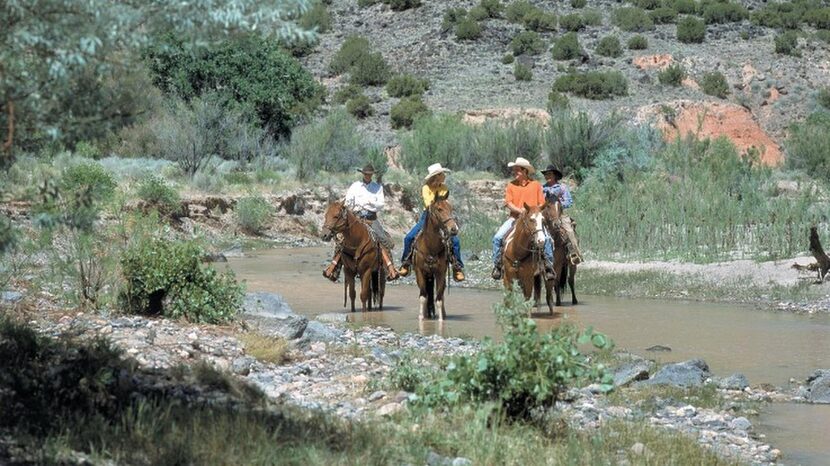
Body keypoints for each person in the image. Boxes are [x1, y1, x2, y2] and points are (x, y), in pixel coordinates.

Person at [323, 164, 399, 281]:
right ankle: (334, 269)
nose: (368, 176)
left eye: (369, 174)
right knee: (341, 239)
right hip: (356, 217)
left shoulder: (377, 187)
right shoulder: (355, 186)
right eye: (366, 174)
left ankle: (390, 269)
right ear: (363, 174)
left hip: (371, 217)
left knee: (382, 238)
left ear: (372, 175)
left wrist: (369, 202)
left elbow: (380, 204)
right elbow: (348, 200)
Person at [398, 163, 465, 282]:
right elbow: (429, 204)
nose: (443, 176)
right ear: (435, 177)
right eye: (441, 174)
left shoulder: (444, 188)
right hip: (428, 216)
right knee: (409, 238)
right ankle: (406, 263)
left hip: (442, 215)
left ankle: (457, 267)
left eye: (442, 174)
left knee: (455, 240)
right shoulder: (426, 188)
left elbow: (444, 203)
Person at [491, 157, 555, 280]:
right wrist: (520, 211)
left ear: (525, 171)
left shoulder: (535, 185)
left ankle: (548, 267)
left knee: (546, 239)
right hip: (514, 218)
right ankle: (498, 265)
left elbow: (541, 203)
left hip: (533, 219)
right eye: (514, 170)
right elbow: (508, 203)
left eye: (517, 170)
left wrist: (532, 213)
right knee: (497, 238)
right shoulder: (511, 185)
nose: (515, 172)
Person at [540, 164, 583, 265]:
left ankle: (574, 253)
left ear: (555, 175)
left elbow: (569, 201)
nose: (547, 176)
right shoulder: (542, 188)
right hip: (545, 216)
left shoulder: (562, 188)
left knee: (569, 230)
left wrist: (558, 205)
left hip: (559, 215)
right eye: (546, 174)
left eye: (550, 174)